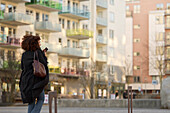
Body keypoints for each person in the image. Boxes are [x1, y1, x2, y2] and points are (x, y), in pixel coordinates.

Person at [19, 35, 49, 113]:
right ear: (34, 43)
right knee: (41, 99)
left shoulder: (24, 55)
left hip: (26, 81)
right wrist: (44, 56)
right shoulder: (38, 53)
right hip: (36, 81)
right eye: (39, 42)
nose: (40, 44)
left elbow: (22, 67)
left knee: (31, 101)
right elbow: (44, 64)